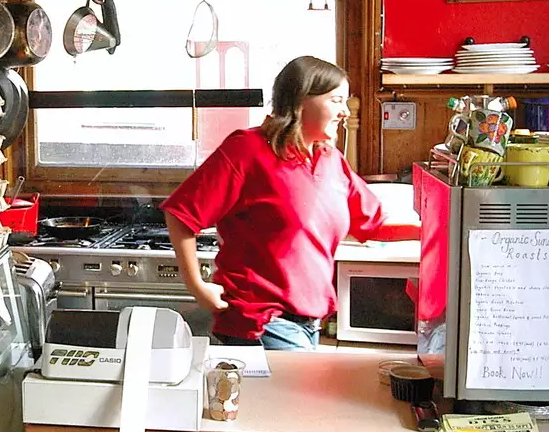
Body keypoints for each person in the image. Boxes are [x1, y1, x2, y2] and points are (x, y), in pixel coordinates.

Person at [161, 56, 386, 349]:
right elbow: (181, 215)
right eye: (336, 100)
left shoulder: (331, 162)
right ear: (301, 100)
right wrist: (197, 286)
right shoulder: (246, 150)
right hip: (261, 323)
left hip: (310, 323)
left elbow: (375, 225)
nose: (345, 112)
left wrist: (446, 226)